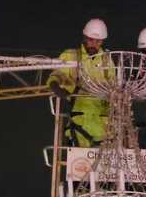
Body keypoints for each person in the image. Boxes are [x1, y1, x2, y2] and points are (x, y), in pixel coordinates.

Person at [47, 18, 110, 148]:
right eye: (91, 40)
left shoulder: (107, 60)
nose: (94, 44)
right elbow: (58, 74)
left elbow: (115, 84)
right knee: (79, 166)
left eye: (98, 41)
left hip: (103, 125)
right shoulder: (71, 56)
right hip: (80, 123)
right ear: (85, 37)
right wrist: (55, 85)